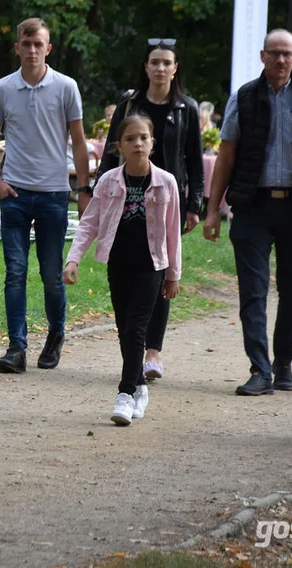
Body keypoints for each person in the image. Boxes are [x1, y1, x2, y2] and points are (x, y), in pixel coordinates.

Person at [202, 28, 292, 396]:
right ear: (262, 56)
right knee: (253, 291)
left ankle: (284, 364)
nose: (280, 60)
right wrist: (212, 210)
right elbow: (226, 156)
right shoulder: (243, 98)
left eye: (286, 54)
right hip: (252, 205)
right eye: (273, 53)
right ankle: (260, 369)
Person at [0, 17, 90, 373]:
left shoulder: (66, 87)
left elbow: (78, 141)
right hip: (14, 192)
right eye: (26, 44)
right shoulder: (2, 88)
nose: (32, 50)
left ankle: (56, 333)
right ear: (17, 47)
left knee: (50, 273)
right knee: (15, 272)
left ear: (49, 48)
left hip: (53, 194)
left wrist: (83, 187)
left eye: (38, 44)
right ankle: (16, 346)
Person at [95, 38, 203, 381]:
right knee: (133, 270)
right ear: (146, 67)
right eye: (154, 62)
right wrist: (98, 187)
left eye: (166, 63)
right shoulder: (129, 105)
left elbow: (194, 160)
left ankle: (152, 351)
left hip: (167, 196)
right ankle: (134, 349)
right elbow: (111, 152)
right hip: (128, 195)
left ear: (175, 69)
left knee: (163, 265)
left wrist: (194, 203)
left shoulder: (186, 108)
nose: (160, 68)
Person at [64, 113, 181, 425]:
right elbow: (89, 223)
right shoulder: (109, 181)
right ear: (119, 146)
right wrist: (73, 258)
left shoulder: (166, 183)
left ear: (152, 143)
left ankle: (126, 393)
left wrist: (173, 275)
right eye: (130, 139)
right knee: (125, 328)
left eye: (143, 137)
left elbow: (172, 234)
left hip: (151, 266)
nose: (138, 143)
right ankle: (140, 387)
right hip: (118, 264)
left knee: (137, 327)